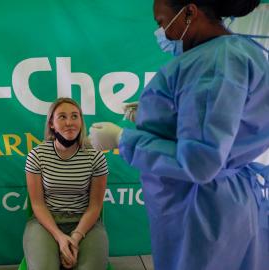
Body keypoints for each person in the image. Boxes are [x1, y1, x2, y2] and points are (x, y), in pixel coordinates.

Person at [88, 0, 269, 269]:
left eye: (162, 23)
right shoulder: (239, 52)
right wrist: (156, 111)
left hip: (202, 211)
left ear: (189, 12)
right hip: (224, 203)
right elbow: (219, 123)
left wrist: (121, 139)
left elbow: (200, 160)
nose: (161, 33)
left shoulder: (213, 63)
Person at [23, 97, 109, 270]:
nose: (69, 122)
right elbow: (37, 205)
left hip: (85, 223)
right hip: (46, 223)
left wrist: (75, 238)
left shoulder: (96, 156)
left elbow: (95, 206)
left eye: (75, 116)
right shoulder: (37, 155)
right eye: (62, 117)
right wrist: (60, 238)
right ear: (51, 124)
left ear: (81, 122)